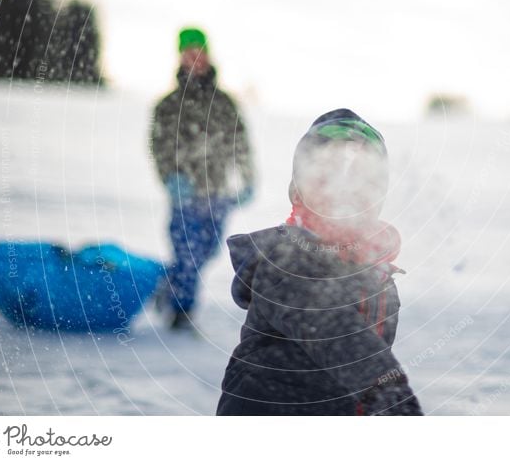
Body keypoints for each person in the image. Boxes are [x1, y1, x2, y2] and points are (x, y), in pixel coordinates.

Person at [216, 109, 422, 415]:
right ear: (299, 190)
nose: (345, 192)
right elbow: (341, 338)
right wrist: (394, 402)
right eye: (325, 178)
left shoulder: (375, 272)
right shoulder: (286, 260)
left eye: (364, 180)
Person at [149, 27, 255, 330]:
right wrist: (171, 177)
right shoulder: (168, 105)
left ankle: (166, 284)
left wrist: (247, 179)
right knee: (188, 252)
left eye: (200, 51)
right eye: (189, 52)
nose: (195, 58)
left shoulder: (224, 103)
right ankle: (182, 313)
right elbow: (159, 147)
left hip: (218, 192)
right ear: (181, 56)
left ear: (208, 55)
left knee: (207, 251)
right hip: (185, 193)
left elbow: (241, 144)